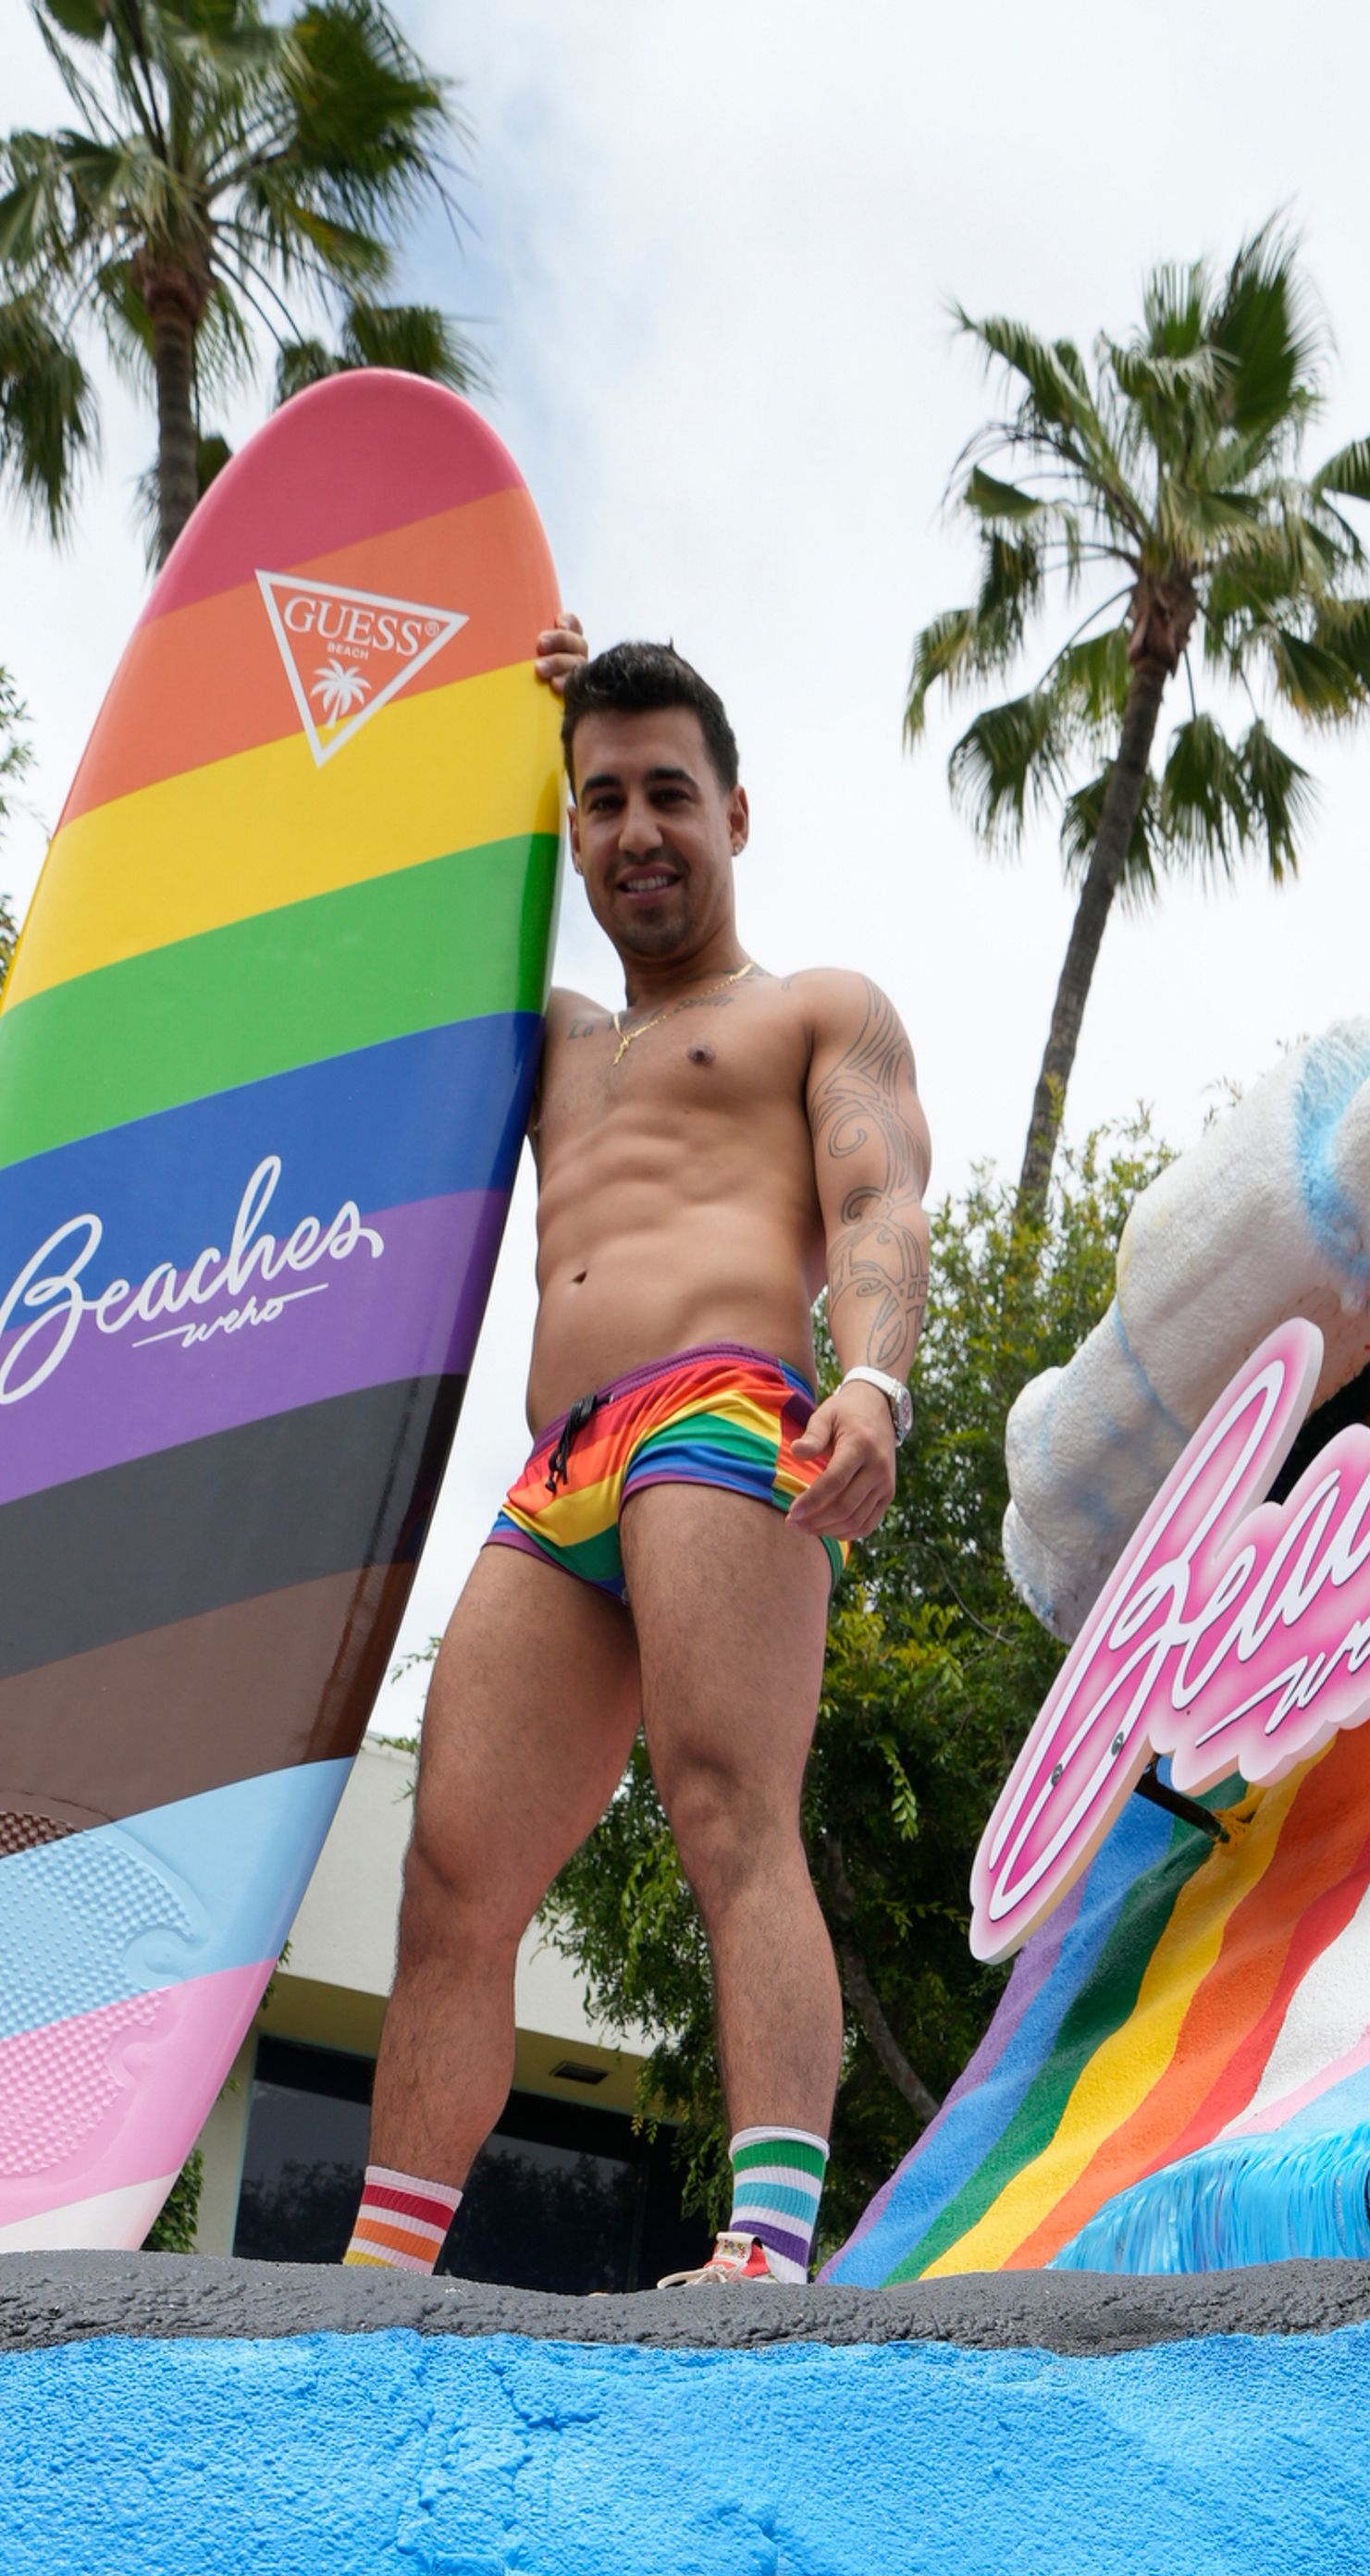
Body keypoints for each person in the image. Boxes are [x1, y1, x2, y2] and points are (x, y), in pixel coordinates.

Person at [348, 629, 932, 2291]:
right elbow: (391, 908)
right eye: (599, 799)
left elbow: (878, 1195)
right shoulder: (543, 1040)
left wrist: (875, 1385)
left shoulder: (815, 1008)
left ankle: (764, 2250)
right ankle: (386, 2277)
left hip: (722, 1412)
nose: (634, 830)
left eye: (668, 792)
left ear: (737, 812)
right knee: (454, 1871)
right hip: (558, 1467)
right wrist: (480, 683)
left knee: (730, 1809)